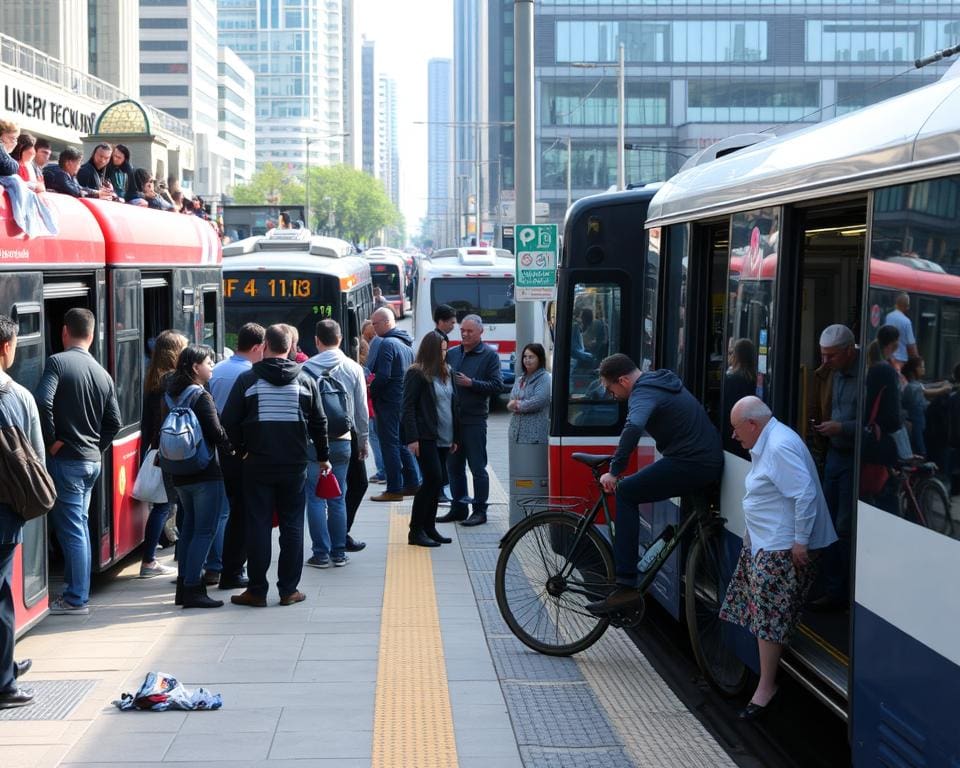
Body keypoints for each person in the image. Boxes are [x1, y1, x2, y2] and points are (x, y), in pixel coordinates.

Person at [719, 396, 837, 721]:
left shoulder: (779, 446)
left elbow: (805, 494)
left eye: (736, 429)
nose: (733, 436)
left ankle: (766, 685)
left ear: (753, 424)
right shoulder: (768, 440)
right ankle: (761, 672)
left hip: (782, 546)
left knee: (768, 614)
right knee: (757, 606)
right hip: (766, 541)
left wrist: (800, 541)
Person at [585, 354, 723, 615]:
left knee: (625, 492)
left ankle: (625, 586)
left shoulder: (643, 391)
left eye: (609, 387)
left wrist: (614, 471)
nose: (609, 394)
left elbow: (634, 425)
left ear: (623, 380)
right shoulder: (659, 382)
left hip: (693, 463)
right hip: (702, 460)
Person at [221, 324, 330, 607]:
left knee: (257, 526)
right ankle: (289, 590)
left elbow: (229, 423)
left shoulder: (248, 380)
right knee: (293, 526)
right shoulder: (306, 381)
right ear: (291, 346)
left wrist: (241, 451)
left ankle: (257, 590)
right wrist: (323, 456)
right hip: (295, 465)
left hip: (256, 464)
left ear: (265, 345)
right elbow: (319, 423)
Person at [36, 308, 121, 615]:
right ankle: (76, 592)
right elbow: (115, 420)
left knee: (72, 529)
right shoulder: (103, 373)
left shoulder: (57, 362)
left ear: (64, 332)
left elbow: (43, 401)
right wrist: (96, 447)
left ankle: (75, 598)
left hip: (67, 460)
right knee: (80, 527)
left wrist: (51, 441)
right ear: (93, 334)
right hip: (91, 462)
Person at [165, 345, 234, 609]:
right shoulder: (201, 397)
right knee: (205, 530)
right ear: (195, 367)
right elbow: (216, 433)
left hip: (180, 471)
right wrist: (234, 450)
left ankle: (183, 588)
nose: (212, 367)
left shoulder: (172, 395)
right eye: (209, 362)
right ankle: (194, 589)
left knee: (190, 529)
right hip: (205, 471)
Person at [0, 314, 42, 709]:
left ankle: (6, 662)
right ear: (6, 348)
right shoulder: (17, 396)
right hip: (4, 512)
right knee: (2, 595)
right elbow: (37, 459)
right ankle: (4, 684)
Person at [303, 319, 368, 568]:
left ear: (317, 341)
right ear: (340, 339)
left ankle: (320, 554)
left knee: (316, 497)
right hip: (343, 440)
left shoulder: (305, 369)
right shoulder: (353, 367)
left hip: (312, 442)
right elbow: (361, 410)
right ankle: (339, 553)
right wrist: (363, 440)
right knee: (337, 496)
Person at [208, 322, 265, 590]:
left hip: (212, 451)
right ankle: (229, 567)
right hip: (237, 453)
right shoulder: (251, 376)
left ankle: (213, 565)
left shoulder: (216, 370)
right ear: (256, 347)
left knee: (218, 512)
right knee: (238, 513)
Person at [808, 324, 859, 610]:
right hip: (834, 454)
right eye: (822, 355)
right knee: (826, 520)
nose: (824, 362)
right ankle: (832, 586)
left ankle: (841, 590)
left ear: (849, 351)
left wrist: (842, 427)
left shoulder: (865, 375)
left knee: (843, 525)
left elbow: (874, 424)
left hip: (854, 456)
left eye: (831, 356)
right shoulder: (831, 373)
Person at [439, 314, 503, 526]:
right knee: (454, 467)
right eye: (463, 330)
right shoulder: (453, 353)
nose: (465, 334)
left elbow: (497, 386)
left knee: (477, 467)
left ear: (480, 332)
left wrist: (471, 383)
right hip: (452, 421)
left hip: (474, 420)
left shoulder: (489, 356)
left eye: (469, 331)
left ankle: (479, 510)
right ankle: (458, 508)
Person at [402, 332, 460, 547]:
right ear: (431, 351)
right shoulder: (417, 373)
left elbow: (453, 405)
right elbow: (407, 407)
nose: (445, 353)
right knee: (432, 479)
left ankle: (429, 527)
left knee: (437, 482)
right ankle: (415, 531)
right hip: (425, 436)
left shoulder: (448, 371)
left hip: (445, 436)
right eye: (442, 350)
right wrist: (412, 437)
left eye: (446, 349)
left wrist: (456, 435)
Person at [138, 330, 188, 579]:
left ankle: (152, 558)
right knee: (166, 506)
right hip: (174, 450)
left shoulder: (153, 380)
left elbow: (147, 425)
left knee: (164, 505)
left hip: (159, 449)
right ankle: (149, 560)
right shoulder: (175, 381)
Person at [367, 308, 420, 501]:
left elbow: (383, 376)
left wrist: (371, 392)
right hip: (402, 401)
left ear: (387, 322)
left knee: (389, 445)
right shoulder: (406, 344)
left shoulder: (387, 343)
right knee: (400, 443)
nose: (373, 328)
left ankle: (394, 489)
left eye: (375, 323)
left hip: (388, 402)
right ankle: (412, 483)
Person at [901, 357, 951, 458]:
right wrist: (944, 388)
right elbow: (927, 391)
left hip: (920, 426)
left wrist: (942, 383)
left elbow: (927, 386)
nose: (924, 369)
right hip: (916, 427)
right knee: (921, 451)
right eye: (921, 367)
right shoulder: (912, 387)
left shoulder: (916, 385)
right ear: (913, 370)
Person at [507, 343, 551, 446]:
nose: (527, 360)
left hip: (535, 436)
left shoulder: (544, 378)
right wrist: (516, 402)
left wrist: (517, 404)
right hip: (516, 433)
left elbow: (538, 401)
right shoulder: (520, 379)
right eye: (525, 357)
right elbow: (512, 398)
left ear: (539, 358)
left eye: (531, 357)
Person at [723, 338, 757, 457]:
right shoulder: (754, 378)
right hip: (749, 430)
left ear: (736, 356)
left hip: (732, 431)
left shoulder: (731, 379)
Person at [43, 147, 112, 199]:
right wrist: (97, 194)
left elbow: (79, 188)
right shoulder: (59, 174)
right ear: (69, 163)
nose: (79, 167)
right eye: (78, 163)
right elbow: (75, 192)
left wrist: (98, 192)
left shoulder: (70, 175)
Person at [883, 292, 918, 369]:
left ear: (897, 303)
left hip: (888, 358)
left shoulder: (888, 316)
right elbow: (911, 345)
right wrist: (917, 361)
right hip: (901, 362)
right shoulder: (906, 322)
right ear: (907, 306)